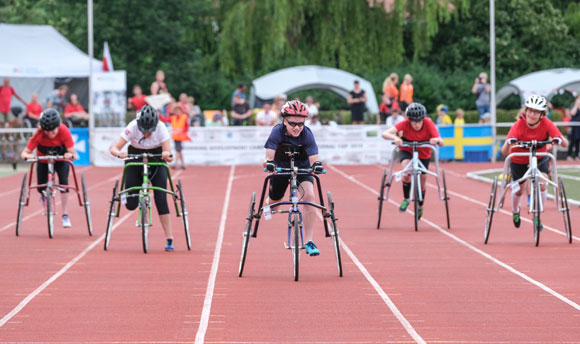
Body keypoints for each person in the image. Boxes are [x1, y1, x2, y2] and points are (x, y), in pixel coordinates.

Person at [109, 105, 176, 251]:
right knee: (131, 205)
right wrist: (119, 153)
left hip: (156, 159)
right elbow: (114, 148)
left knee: (161, 197)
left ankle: (169, 238)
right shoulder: (132, 126)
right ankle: (133, 197)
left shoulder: (161, 127)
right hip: (135, 157)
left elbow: (169, 154)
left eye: (149, 130)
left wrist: (167, 155)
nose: (146, 133)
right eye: (143, 130)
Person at [263, 100, 324, 256]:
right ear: (284, 120)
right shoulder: (277, 131)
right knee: (274, 202)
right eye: (292, 123)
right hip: (281, 168)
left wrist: (316, 166)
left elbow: (314, 159)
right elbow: (268, 157)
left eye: (300, 124)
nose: (297, 127)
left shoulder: (307, 134)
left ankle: (309, 241)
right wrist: (269, 164)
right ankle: (270, 202)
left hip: (302, 167)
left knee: (310, 195)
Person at [501, 95, 568, 230]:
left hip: (539, 157)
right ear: (525, 111)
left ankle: (537, 215)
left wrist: (558, 140)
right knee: (519, 190)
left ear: (542, 114)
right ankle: (515, 211)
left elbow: (565, 143)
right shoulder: (518, 125)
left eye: (536, 112)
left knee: (543, 185)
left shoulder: (546, 123)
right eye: (529, 110)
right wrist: (509, 143)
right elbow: (504, 152)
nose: (532, 114)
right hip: (518, 159)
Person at [381, 102, 444, 220]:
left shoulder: (428, 123)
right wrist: (395, 138)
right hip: (407, 150)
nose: (417, 124)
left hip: (424, 152)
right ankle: (406, 199)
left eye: (419, 121)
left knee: (422, 182)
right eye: (414, 121)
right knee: (406, 173)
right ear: (409, 120)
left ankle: (420, 206)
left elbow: (441, 141)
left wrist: (436, 140)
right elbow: (385, 134)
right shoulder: (404, 123)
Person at [20, 108, 77, 228]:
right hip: (43, 160)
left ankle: (65, 215)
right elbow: (24, 152)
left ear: (58, 126)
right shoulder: (39, 133)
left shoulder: (64, 131)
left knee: (64, 183)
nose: (50, 134)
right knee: (41, 187)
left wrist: (69, 155)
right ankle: (44, 196)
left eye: (53, 131)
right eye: (47, 131)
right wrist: (27, 156)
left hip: (60, 159)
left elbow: (73, 154)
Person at [1, 78, 26, 160]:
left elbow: (17, 96)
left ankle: (10, 135)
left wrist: (24, 102)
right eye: (6, 82)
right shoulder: (1, 88)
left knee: (12, 122)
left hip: (7, 109)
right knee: (2, 122)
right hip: (1, 109)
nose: (7, 83)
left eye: (8, 82)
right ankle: (3, 136)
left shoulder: (11, 89)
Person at [169, 105, 191, 170]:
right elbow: (165, 119)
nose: (177, 112)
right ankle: (183, 164)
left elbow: (187, 127)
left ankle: (175, 164)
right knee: (179, 150)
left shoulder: (184, 117)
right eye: (176, 110)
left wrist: (183, 131)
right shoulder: (173, 117)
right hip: (176, 136)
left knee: (178, 150)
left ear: (181, 111)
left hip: (181, 137)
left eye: (178, 110)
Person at [568, 95, 580, 161]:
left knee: (578, 141)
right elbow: (572, 113)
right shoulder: (573, 105)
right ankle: (569, 155)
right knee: (572, 141)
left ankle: (576, 155)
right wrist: (576, 105)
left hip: (579, 127)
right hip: (573, 126)